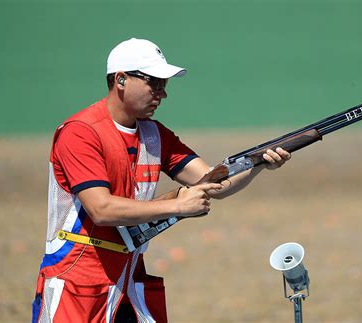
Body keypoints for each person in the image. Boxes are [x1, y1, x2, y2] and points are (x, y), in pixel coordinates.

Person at [32, 38, 291, 323]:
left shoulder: (155, 134)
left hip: (128, 283)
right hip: (77, 283)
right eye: (153, 83)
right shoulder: (81, 133)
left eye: (163, 84)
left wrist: (257, 164)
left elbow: (216, 184)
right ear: (120, 80)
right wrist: (177, 206)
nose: (162, 94)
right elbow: (101, 210)